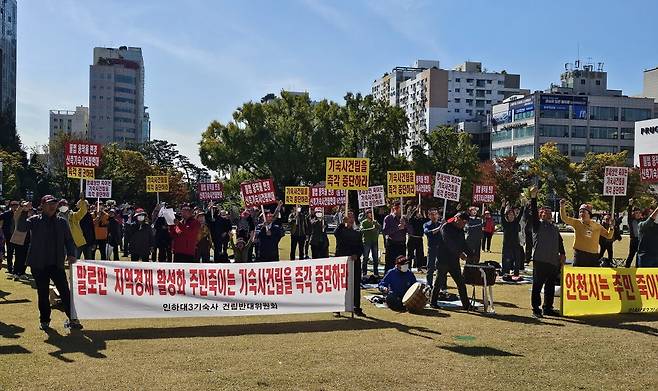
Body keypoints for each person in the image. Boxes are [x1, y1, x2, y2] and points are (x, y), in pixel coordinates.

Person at [26, 195, 82, 331]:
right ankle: (44, 320)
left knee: (65, 292)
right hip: (38, 264)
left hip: (56, 263)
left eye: (55, 203)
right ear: (42, 206)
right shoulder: (34, 220)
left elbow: (69, 240)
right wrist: (22, 211)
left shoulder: (62, 222)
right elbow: (21, 227)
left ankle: (73, 319)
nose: (52, 206)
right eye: (49, 203)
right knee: (43, 293)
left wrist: (71, 254)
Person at [529, 187, 565, 318]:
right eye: (544, 212)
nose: (547, 214)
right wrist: (533, 198)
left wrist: (562, 254)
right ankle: (536, 309)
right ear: (540, 214)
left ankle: (548, 307)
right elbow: (533, 212)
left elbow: (560, 242)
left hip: (553, 261)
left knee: (550, 286)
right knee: (537, 286)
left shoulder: (554, 228)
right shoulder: (537, 225)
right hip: (540, 260)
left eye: (549, 212)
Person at [429, 212, 471, 311]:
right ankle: (433, 302)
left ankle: (466, 305)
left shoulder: (460, 230)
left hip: (453, 261)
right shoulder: (446, 227)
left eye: (465, 223)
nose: (463, 225)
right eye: (462, 222)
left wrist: (471, 254)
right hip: (443, 259)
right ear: (457, 219)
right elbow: (449, 243)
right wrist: (460, 254)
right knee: (439, 282)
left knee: (461, 283)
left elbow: (463, 243)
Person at [560, 199, 613, 267]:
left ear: (589, 213)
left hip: (593, 256)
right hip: (580, 254)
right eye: (580, 212)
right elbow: (564, 218)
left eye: (583, 212)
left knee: (591, 275)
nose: (581, 214)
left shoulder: (597, 226)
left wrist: (611, 227)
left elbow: (608, 236)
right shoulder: (576, 222)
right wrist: (562, 206)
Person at [334, 212, 365, 316]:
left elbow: (361, 247)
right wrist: (342, 223)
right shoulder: (341, 231)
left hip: (354, 262)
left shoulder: (357, 232)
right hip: (342, 262)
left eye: (352, 217)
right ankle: (337, 308)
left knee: (355, 285)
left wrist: (357, 254)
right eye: (349, 217)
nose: (351, 219)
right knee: (341, 285)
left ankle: (356, 307)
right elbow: (336, 233)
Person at [500, 200, 525, 281]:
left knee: (517, 260)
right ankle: (505, 273)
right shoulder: (505, 223)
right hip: (507, 245)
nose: (511, 216)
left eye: (512, 215)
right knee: (506, 260)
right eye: (509, 215)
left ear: (514, 216)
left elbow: (520, 214)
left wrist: (522, 206)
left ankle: (516, 274)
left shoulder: (516, 222)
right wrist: (503, 206)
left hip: (515, 244)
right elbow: (501, 214)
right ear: (507, 216)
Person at [11, 202, 33, 280]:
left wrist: (29, 208)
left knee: (25, 258)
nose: (26, 207)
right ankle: (15, 273)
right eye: (25, 206)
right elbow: (18, 211)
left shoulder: (30, 215)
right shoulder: (17, 215)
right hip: (19, 240)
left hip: (28, 240)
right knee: (18, 257)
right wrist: (22, 206)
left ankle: (22, 272)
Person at [382, 202, 406, 273]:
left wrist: (406, 224)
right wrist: (397, 228)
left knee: (402, 264)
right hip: (392, 244)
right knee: (390, 264)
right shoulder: (388, 218)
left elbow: (411, 231)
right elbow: (385, 231)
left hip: (402, 245)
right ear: (395, 208)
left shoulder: (403, 218)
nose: (402, 210)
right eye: (400, 208)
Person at [423, 208, 442, 290]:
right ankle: (429, 284)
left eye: (435, 214)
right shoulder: (426, 224)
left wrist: (444, 225)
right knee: (430, 267)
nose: (434, 216)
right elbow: (428, 233)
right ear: (429, 216)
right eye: (432, 214)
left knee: (441, 268)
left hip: (441, 249)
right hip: (432, 248)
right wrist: (439, 228)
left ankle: (441, 285)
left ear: (438, 215)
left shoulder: (442, 224)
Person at [360, 209, 381, 276]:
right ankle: (364, 273)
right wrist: (371, 229)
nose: (371, 214)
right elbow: (362, 230)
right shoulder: (364, 222)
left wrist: (376, 225)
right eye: (369, 213)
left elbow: (380, 228)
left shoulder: (374, 221)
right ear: (367, 214)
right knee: (365, 258)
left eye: (371, 213)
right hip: (367, 242)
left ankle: (376, 273)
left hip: (374, 242)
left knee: (375, 258)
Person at [0, 200, 19, 274]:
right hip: (9, 236)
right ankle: (10, 267)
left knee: (17, 253)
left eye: (16, 206)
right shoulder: (6, 214)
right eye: (14, 206)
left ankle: (16, 268)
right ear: (11, 206)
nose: (15, 207)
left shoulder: (20, 213)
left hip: (18, 236)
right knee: (10, 252)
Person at [407, 206, 428, 271]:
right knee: (410, 254)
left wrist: (424, 213)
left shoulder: (422, 220)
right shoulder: (413, 220)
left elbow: (427, 220)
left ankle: (419, 267)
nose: (419, 214)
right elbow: (410, 218)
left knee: (420, 254)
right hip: (412, 238)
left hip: (419, 239)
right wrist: (415, 210)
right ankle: (409, 267)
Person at [625, 199, 643, 267]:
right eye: (636, 213)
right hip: (633, 240)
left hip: (640, 240)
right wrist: (630, 204)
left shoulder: (642, 221)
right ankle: (626, 268)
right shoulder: (631, 221)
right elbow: (629, 214)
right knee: (631, 255)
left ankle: (637, 268)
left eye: (639, 213)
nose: (638, 214)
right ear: (634, 214)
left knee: (639, 256)